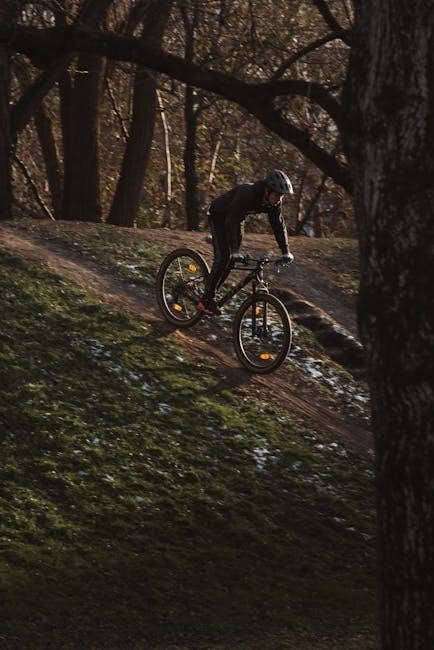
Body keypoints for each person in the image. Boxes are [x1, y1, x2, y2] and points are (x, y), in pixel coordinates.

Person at [196, 169, 295, 315]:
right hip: (218, 216)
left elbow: (278, 226)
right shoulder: (247, 194)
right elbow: (230, 220)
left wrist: (286, 251)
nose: (279, 199)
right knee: (224, 257)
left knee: (231, 261)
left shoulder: (274, 204)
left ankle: (211, 290)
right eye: (277, 195)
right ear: (267, 190)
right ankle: (206, 300)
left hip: (237, 219)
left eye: (282, 196)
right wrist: (234, 249)